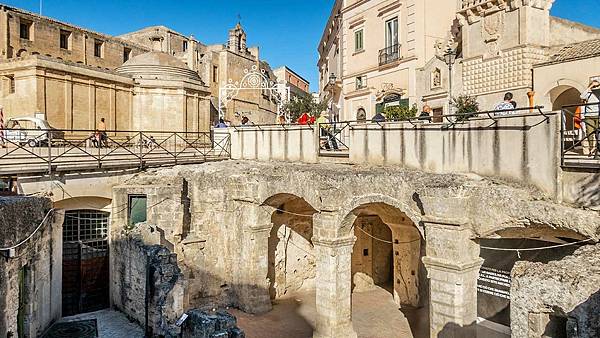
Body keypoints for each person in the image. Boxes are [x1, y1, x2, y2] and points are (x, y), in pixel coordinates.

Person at [580, 80, 600, 157]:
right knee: (590, 133)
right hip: (589, 116)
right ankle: (592, 148)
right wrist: (590, 86)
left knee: (598, 133)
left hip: (598, 115)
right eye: (594, 86)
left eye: (597, 86)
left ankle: (597, 148)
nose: (596, 87)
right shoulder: (588, 93)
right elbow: (581, 96)